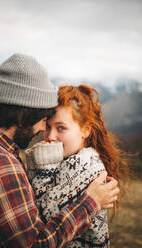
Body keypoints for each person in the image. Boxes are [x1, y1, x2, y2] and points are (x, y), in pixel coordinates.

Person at [0, 53, 119, 248]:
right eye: (44, 120)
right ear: (23, 116)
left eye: (60, 127)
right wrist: (91, 202)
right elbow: (34, 243)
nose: (44, 131)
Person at [26, 84, 129, 247]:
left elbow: (38, 220)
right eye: (48, 127)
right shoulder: (63, 160)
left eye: (61, 128)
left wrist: (40, 164)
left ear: (85, 130)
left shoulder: (84, 165)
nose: (51, 136)